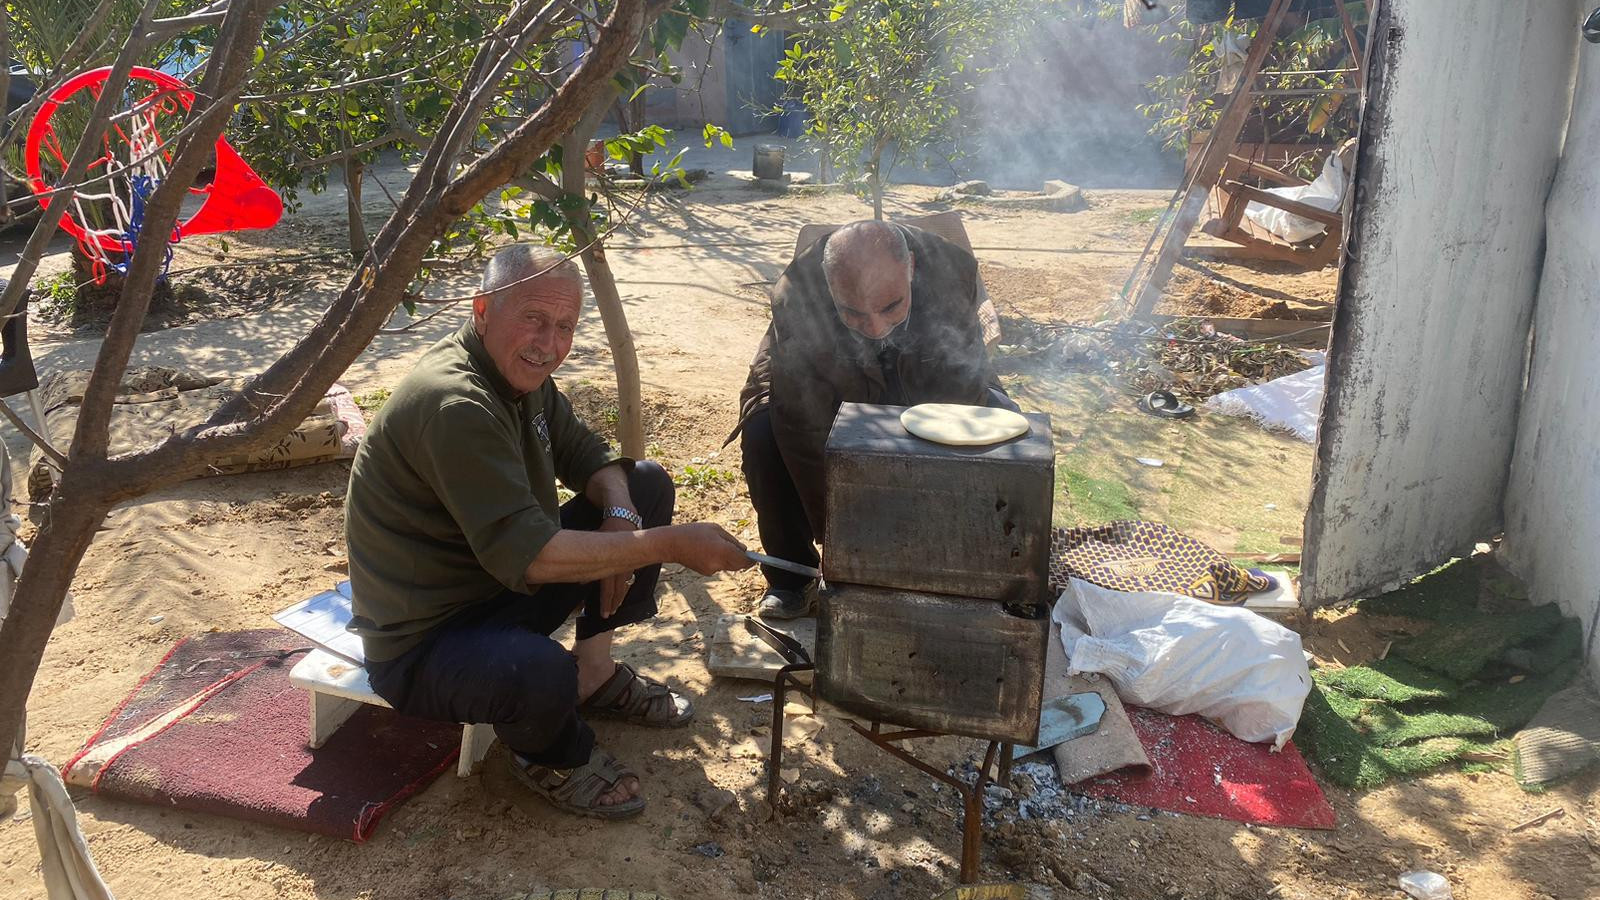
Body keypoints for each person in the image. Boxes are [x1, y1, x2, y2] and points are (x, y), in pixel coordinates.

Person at [345, 245, 750, 820]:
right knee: (535, 671)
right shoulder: (455, 403)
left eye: (564, 326)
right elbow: (535, 558)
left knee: (644, 485)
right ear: (483, 310)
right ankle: (550, 756)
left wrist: (622, 516)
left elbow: (591, 458)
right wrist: (671, 543)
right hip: (426, 641)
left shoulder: (520, 373)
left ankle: (596, 674)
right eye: (533, 318)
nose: (549, 343)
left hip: (497, 586)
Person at [734, 219, 1017, 619]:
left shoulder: (952, 274)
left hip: (928, 375)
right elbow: (805, 430)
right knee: (764, 434)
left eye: (890, 307)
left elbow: (960, 398)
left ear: (912, 268)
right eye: (853, 313)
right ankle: (791, 578)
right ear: (829, 286)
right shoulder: (798, 297)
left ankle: (963, 559)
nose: (875, 327)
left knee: (1001, 429)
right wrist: (843, 547)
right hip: (824, 384)